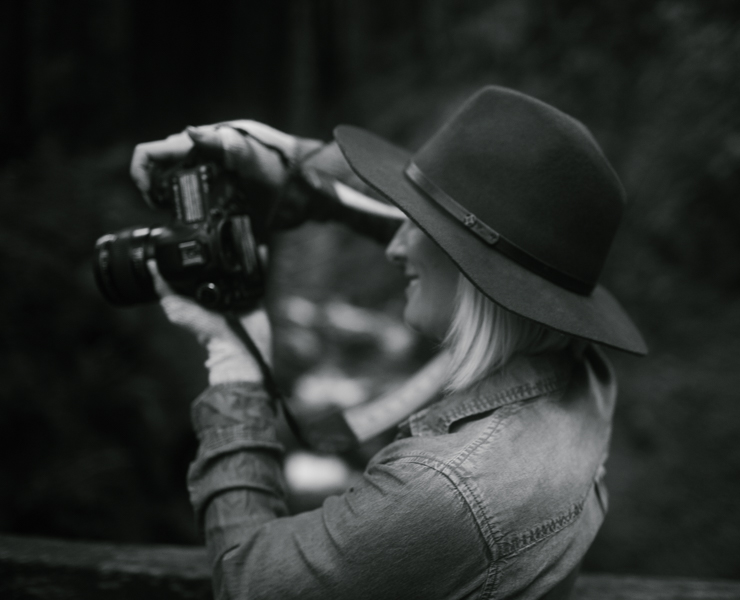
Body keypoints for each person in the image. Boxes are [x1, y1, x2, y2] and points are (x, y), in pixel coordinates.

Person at [131, 86, 647, 600]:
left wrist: (234, 361)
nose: (395, 246)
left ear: (480, 277)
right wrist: (293, 165)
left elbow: (249, 583)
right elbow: (482, 246)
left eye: (417, 226)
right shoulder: (582, 374)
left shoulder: (446, 491)